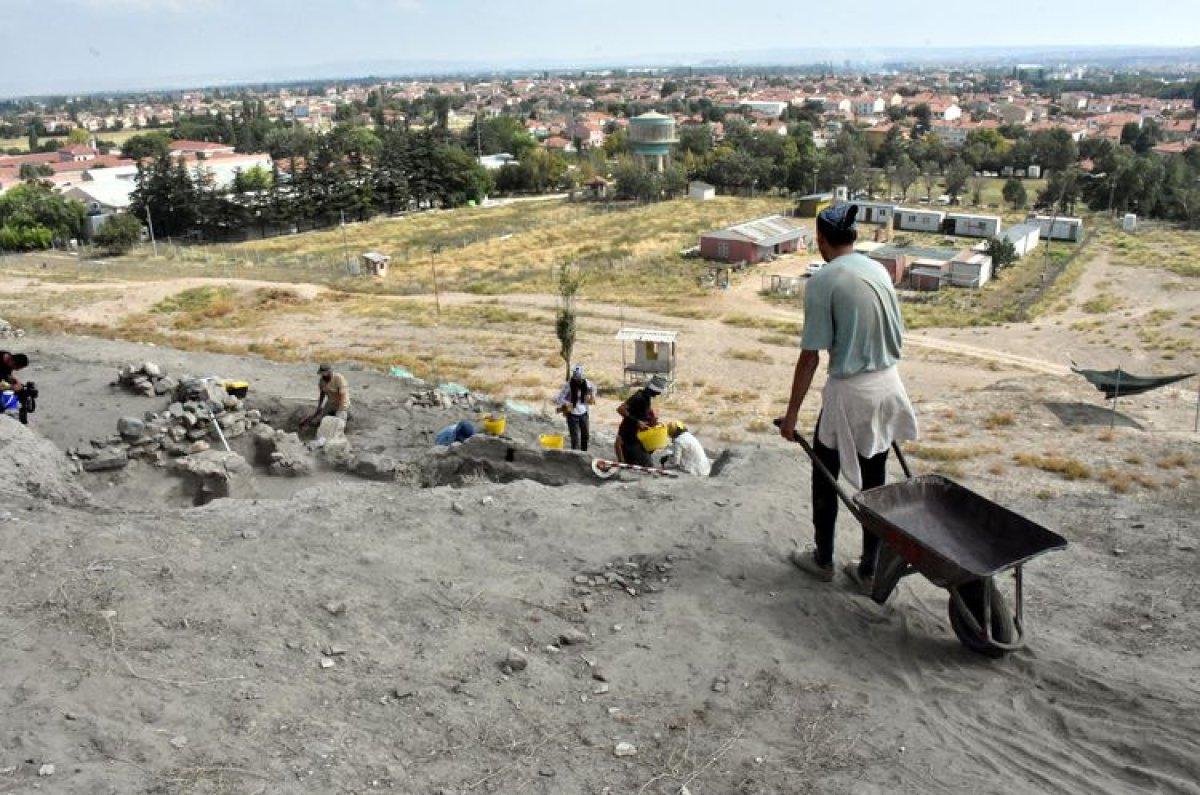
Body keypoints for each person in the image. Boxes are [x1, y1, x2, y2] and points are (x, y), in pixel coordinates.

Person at [779, 202, 918, 593]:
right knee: (875, 484)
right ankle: (869, 569)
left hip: (851, 393)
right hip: (889, 386)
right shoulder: (878, 269)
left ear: (821, 241)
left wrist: (791, 417)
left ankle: (823, 559)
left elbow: (810, 356)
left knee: (825, 476)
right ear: (854, 237)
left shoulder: (825, 281)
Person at [616, 375, 667, 466]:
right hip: (630, 439)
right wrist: (637, 422)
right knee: (647, 465)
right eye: (658, 392)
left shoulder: (646, 399)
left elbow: (642, 414)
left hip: (638, 437)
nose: (658, 394)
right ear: (654, 390)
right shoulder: (638, 397)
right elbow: (620, 409)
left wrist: (652, 421)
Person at [555, 365, 595, 451]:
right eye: (577, 379)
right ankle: (575, 456)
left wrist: (591, 397)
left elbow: (593, 390)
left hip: (584, 413)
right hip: (572, 414)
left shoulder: (586, 383)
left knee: (585, 435)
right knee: (575, 438)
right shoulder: (568, 385)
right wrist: (567, 403)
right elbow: (558, 398)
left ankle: (584, 453)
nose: (578, 381)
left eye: (580, 379)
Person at [302, 363, 351, 428]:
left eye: (325, 374)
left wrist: (340, 410)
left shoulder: (339, 378)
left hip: (342, 403)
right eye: (322, 374)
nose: (323, 376)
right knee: (319, 419)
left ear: (329, 372)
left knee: (339, 423)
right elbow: (322, 393)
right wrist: (319, 406)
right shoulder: (322, 380)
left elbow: (342, 395)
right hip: (331, 403)